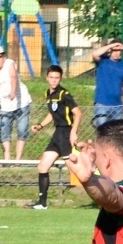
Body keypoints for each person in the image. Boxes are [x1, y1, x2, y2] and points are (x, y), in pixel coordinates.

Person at [29, 65, 82, 210]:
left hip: (65, 133)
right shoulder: (49, 94)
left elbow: (78, 113)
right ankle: (42, 203)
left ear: (61, 78)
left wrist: (73, 132)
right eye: (51, 77)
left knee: (76, 169)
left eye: (57, 78)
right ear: (47, 77)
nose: (54, 80)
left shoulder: (64, 94)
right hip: (57, 134)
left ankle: (102, 189)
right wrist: (40, 125)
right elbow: (52, 114)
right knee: (43, 166)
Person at [0, 44, 31, 159]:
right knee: (4, 131)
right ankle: (7, 159)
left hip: (21, 102)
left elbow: (13, 77)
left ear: (3, 57)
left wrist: (13, 91)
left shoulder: (9, 63)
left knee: (22, 129)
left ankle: (18, 159)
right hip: (5, 105)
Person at [91, 41, 123, 127]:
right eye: (114, 50)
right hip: (102, 103)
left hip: (117, 105)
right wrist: (111, 45)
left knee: (115, 132)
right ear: (110, 50)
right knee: (102, 129)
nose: (116, 53)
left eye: (118, 50)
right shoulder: (103, 61)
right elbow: (94, 54)